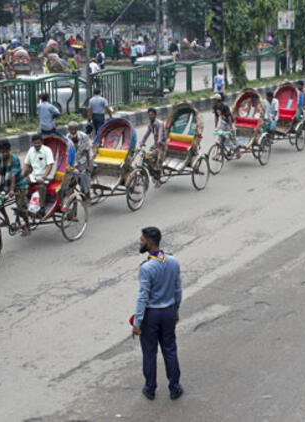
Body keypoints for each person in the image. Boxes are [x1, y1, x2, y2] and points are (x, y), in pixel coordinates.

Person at [132, 226, 183, 401]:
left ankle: (150, 388)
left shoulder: (147, 268)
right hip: (168, 312)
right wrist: (175, 310)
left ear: (150, 241)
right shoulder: (173, 261)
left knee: (149, 353)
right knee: (170, 350)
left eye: (142, 239)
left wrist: (137, 322)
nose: (140, 242)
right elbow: (178, 290)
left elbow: (142, 297)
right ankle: (175, 388)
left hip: (151, 316)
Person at [0, 140, 31, 236]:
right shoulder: (0, 157)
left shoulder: (14, 159)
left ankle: (27, 225)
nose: (4, 154)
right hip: (6, 185)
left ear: (9, 150)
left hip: (19, 185)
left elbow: (13, 176)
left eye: (5, 152)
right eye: (2, 152)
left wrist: (12, 190)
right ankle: (6, 219)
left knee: (21, 208)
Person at [24, 134, 55, 217]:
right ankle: (25, 204)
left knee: (41, 186)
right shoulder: (31, 150)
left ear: (42, 142)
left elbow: (50, 166)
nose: (36, 145)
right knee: (23, 183)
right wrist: (23, 176)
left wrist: (43, 177)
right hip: (34, 175)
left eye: (38, 143)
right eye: (35, 143)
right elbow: (26, 164)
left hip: (46, 176)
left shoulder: (47, 150)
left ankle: (42, 207)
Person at [140, 108, 166, 188]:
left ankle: (158, 180)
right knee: (146, 157)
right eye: (149, 115)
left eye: (152, 114)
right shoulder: (150, 124)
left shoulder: (160, 123)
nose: (150, 116)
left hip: (162, 145)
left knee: (158, 161)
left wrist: (158, 142)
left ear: (155, 115)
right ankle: (153, 173)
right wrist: (142, 142)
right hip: (155, 145)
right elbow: (147, 134)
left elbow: (160, 134)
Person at [67, 121, 92, 202]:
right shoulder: (67, 137)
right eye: (70, 129)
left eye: (74, 129)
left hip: (85, 159)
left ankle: (87, 195)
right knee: (70, 177)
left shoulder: (84, 137)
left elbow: (87, 151)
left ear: (77, 129)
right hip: (75, 160)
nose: (72, 131)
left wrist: (88, 165)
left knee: (84, 176)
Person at [212, 94, 239, 158]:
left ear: (217, 100)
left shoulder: (225, 106)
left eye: (214, 100)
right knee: (220, 134)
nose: (213, 101)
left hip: (229, 123)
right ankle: (220, 149)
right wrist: (216, 127)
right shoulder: (215, 107)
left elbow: (229, 117)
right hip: (223, 122)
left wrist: (231, 128)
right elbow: (216, 117)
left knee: (232, 137)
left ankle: (237, 150)